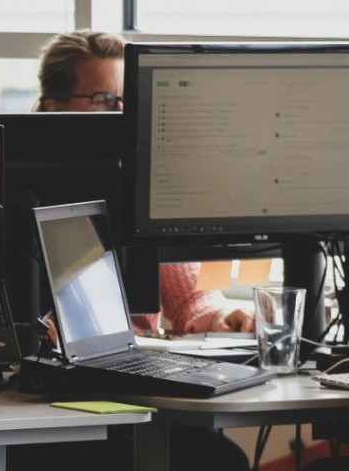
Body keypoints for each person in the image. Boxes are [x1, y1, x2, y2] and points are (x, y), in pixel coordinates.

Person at [35, 29, 255, 335]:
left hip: (132, 366)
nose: (124, 113)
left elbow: (191, 295)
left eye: (130, 99)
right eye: (106, 100)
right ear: (54, 107)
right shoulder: (19, 191)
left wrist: (221, 316)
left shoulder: (143, 184)